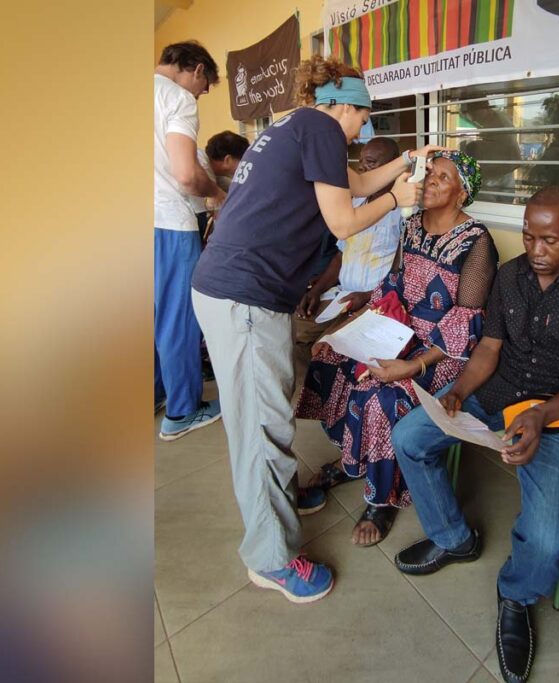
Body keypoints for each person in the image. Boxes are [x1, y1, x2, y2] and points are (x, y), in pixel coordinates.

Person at [190, 54, 443, 604]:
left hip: (231, 288)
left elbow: (356, 180)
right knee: (261, 431)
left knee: (266, 414)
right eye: (364, 116)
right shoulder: (324, 127)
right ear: (345, 105)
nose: (362, 128)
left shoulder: (295, 124)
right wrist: (398, 200)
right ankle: (271, 560)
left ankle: (278, 503)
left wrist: (406, 162)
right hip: (245, 297)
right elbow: (345, 219)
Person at [390, 186, 559, 683]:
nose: (536, 251)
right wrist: (459, 392)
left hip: (556, 413)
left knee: (546, 542)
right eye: (527, 236)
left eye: (550, 240)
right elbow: (490, 347)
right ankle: (454, 539)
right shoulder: (510, 276)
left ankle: (516, 594)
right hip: (494, 391)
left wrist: (541, 416)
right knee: (410, 437)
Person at [296, 150, 497, 547]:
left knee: (378, 395)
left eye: (443, 177)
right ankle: (354, 458)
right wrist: (358, 321)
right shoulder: (413, 228)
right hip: (398, 331)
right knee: (329, 362)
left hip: (441, 352)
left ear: (462, 193)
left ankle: (381, 497)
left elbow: (466, 320)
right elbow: (394, 285)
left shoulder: (476, 242)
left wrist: (415, 366)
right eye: (430, 173)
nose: (430, 181)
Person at [154, 41, 225, 439]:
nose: (200, 94)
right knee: (178, 319)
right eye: (204, 86)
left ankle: (157, 392)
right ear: (196, 69)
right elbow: (185, 174)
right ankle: (182, 412)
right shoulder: (177, 98)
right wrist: (219, 195)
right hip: (168, 222)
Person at [293, 137, 405, 348]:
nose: (362, 166)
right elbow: (341, 254)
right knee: (292, 333)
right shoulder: (356, 203)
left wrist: (369, 295)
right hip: (341, 296)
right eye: (361, 160)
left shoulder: (405, 211)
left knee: (326, 346)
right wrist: (316, 291)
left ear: (394, 164)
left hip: (375, 302)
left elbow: (402, 268)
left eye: (371, 162)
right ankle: (305, 382)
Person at [188, 131, 251, 245]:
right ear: (227, 160)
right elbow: (217, 206)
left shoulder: (213, 170)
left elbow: (231, 188)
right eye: (242, 163)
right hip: (189, 222)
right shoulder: (203, 164)